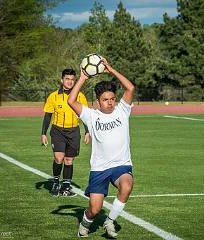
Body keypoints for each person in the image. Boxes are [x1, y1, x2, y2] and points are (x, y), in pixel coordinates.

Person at [68, 58, 135, 238]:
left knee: (127, 186)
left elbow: (130, 88)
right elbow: (71, 101)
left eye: (112, 98)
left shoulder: (123, 110)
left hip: (121, 164)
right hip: (100, 168)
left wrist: (111, 70)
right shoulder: (91, 115)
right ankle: (85, 223)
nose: (110, 102)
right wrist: (83, 77)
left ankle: (110, 221)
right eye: (105, 100)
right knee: (94, 209)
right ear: (98, 101)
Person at [41, 68, 90, 197]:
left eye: (72, 80)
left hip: (73, 131)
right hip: (57, 131)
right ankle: (56, 183)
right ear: (62, 80)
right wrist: (43, 133)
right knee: (58, 158)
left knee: (69, 160)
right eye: (67, 79)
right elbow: (47, 116)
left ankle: (66, 187)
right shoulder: (54, 96)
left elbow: (85, 115)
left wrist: (87, 131)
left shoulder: (80, 96)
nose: (69, 82)